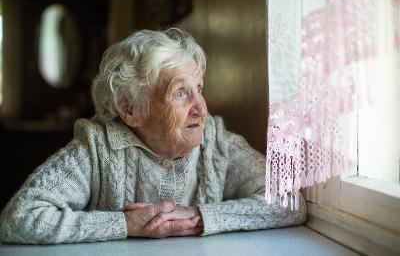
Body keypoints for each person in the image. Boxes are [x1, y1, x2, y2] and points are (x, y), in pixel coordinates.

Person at [0, 28, 307, 244]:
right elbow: (19, 219)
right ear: (130, 109)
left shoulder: (214, 139)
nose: (201, 107)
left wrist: (199, 217)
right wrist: (125, 224)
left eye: (198, 89)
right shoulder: (98, 147)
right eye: (180, 94)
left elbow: (289, 200)